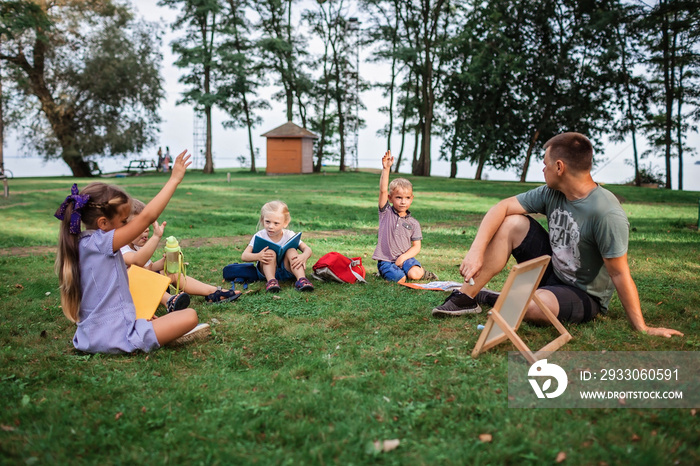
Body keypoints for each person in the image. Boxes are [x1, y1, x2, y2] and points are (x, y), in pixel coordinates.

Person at [431, 132, 683, 339]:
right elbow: (502, 207)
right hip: (552, 271)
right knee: (512, 222)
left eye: (545, 163)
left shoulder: (607, 213)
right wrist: (476, 251)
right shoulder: (551, 192)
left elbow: (619, 273)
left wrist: (642, 327)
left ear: (559, 167)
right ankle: (465, 298)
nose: (543, 169)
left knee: (529, 306)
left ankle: (492, 297)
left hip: (583, 294)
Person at [54, 150, 211, 354]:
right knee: (190, 316)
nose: (128, 226)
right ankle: (157, 337)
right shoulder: (102, 242)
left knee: (159, 319)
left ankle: (151, 330)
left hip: (88, 337)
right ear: (103, 223)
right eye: (123, 222)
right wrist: (174, 179)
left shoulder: (81, 244)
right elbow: (147, 216)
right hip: (119, 337)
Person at [121, 199, 240, 304]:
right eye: (140, 225)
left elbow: (150, 267)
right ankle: (170, 302)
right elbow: (138, 265)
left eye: (147, 224)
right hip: (134, 293)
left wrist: (165, 261)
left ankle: (213, 292)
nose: (147, 229)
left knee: (173, 274)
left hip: (149, 287)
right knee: (135, 273)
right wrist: (156, 237)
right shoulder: (121, 249)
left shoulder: (137, 246)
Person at [373, 150, 437, 283]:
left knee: (415, 274)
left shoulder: (414, 223)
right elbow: (383, 190)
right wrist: (386, 169)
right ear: (390, 198)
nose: (403, 201)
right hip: (387, 260)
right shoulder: (386, 213)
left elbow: (416, 247)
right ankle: (386, 272)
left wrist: (403, 258)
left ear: (411, 199)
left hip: (406, 259)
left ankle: (423, 272)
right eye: (399, 197)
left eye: (407, 198)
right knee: (400, 279)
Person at [240, 200, 314, 292]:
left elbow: (307, 249)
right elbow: (244, 256)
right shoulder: (260, 235)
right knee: (270, 252)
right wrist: (258, 256)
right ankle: (271, 282)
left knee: (291, 251)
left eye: (276, 223)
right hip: (266, 272)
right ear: (262, 220)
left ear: (285, 223)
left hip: (288, 270)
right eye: (267, 222)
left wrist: (304, 256)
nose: (271, 226)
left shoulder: (289, 235)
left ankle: (302, 280)